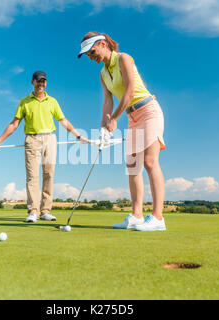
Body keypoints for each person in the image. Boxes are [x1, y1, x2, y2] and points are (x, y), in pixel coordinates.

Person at [78, 32, 166, 231]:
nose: (91, 58)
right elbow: (107, 102)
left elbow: (130, 93)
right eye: (88, 56)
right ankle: (136, 215)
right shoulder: (102, 74)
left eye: (92, 52)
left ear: (102, 44)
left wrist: (114, 119)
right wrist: (103, 129)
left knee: (150, 162)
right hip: (132, 117)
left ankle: (158, 218)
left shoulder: (124, 58)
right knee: (133, 165)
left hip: (149, 111)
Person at [0, 70, 87, 223]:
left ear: (46, 83)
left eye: (43, 81)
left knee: (49, 175)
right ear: (32, 82)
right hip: (32, 140)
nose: (41, 84)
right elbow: (14, 124)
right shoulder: (24, 102)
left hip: (50, 139)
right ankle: (33, 211)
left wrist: (78, 135)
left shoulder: (52, 101)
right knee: (32, 177)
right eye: (38, 81)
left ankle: (45, 211)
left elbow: (63, 121)